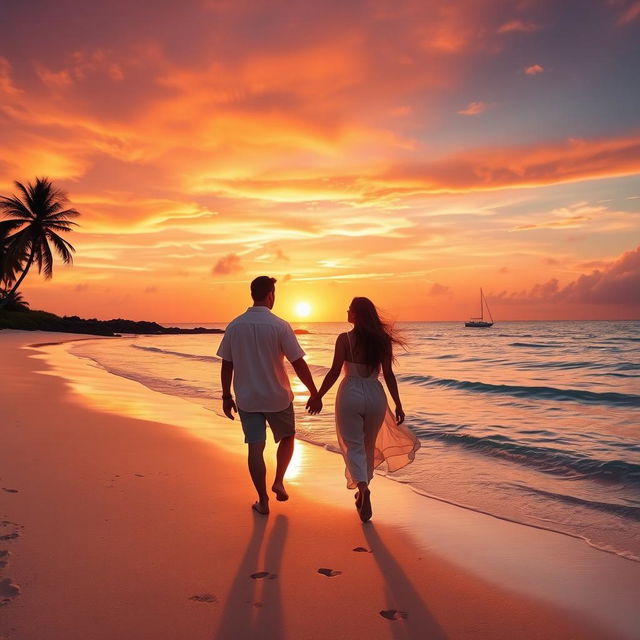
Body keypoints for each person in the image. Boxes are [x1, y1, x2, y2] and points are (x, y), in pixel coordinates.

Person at [306, 297, 419, 522]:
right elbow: (388, 374)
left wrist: (318, 396)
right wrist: (398, 404)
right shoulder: (382, 341)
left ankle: (363, 487)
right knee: (367, 446)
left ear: (356, 315)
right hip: (375, 394)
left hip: (350, 393)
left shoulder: (345, 339)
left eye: (350, 310)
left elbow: (334, 371)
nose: (347, 312)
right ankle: (362, 489)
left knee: (353, 446)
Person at [217, 276, 321, 515]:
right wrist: (314, 392)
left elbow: (227, 364)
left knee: (255, 448)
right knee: (287, 437)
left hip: (247, 398)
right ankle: (279, 481)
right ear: (271, 294)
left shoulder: (235, 325)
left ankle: (263, 501)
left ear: (252, 294)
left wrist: (226, 396)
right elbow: (298, 363)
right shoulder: (280, 325)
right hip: (277, 397)